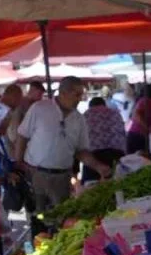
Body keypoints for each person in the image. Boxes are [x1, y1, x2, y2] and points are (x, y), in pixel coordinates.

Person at [16, 76, 113, 208]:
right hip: (36, 174)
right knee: (39, 215)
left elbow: (81, 151)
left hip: (63, 177)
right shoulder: (39, 108)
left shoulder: (79, 119)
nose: (80, 99)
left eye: (81, 95)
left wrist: (98, 166)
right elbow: (22, 135)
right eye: (77, 95)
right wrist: (18, 163)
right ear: (63, 93)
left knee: (60, 215)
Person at [83, 97, 127, 181]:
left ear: (90, 106)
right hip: (117, 152)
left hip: (94, 155)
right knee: (117, 182)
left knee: (92, 184)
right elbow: (122, 133)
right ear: (104, 104)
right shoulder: (116, 113)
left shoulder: (86, 114)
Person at [126, 84, 151, 155]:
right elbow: (137, 115)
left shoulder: (146, 101)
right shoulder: (145, 100)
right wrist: (147, 127)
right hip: (138, 135)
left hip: (139, 135)